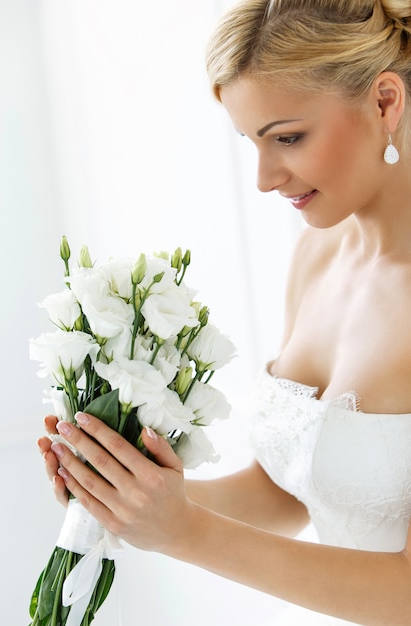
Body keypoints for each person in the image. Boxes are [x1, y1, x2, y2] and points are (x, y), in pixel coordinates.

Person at [38, 0, 411, 623]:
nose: (265, 178)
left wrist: (184, 533)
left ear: (384, 103)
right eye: (251, 143)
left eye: (287, 137)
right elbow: (287, 489)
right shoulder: (316, 258)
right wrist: (126, 499)